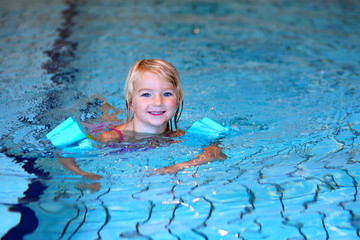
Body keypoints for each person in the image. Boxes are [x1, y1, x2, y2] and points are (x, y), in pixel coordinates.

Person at [59, 59, 227, 179]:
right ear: (131, 103)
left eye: (167, 94)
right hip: (107, 125)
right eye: (146, 94)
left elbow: (216, 154)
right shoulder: (111, 137)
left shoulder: (178, 136)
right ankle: (101, 103)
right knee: (106, 115)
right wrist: (84, 174)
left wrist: (177, 166)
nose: (157, 102)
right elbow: (65, 152)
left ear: (177, 101)